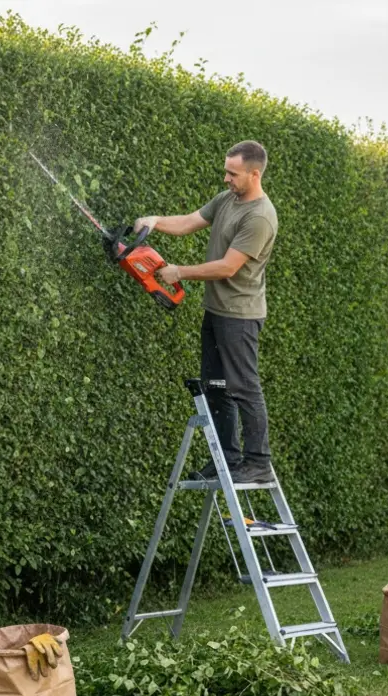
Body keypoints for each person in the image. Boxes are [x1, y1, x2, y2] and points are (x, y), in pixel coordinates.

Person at [134, 140, 279, 484]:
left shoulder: (259, 217)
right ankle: (228, 459)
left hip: (240, 316)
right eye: (226, 171)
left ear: (254, 174)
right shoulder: (227, 199)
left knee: (244, 387)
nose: (226, 178)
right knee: (215, 386)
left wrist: (179, 271)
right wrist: (154, 221)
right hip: (216, 311)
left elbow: (228, 267)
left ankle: (258, 463)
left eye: (233, 173)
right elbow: (188, 222)